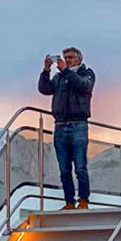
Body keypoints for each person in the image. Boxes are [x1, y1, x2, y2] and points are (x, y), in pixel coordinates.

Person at [38, 47, 95, 210]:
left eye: (70, 57)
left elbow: (83, 86)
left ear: (79, 59)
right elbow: (44, 89)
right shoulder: (59, 77)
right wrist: (46, 70)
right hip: (60, 125)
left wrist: (66, 71)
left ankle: (83, 200)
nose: (67, 60)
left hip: (78, 124)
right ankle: (69, 202)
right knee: (64, 169)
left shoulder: (87, 74)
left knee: (80, 166)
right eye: (65, 57)